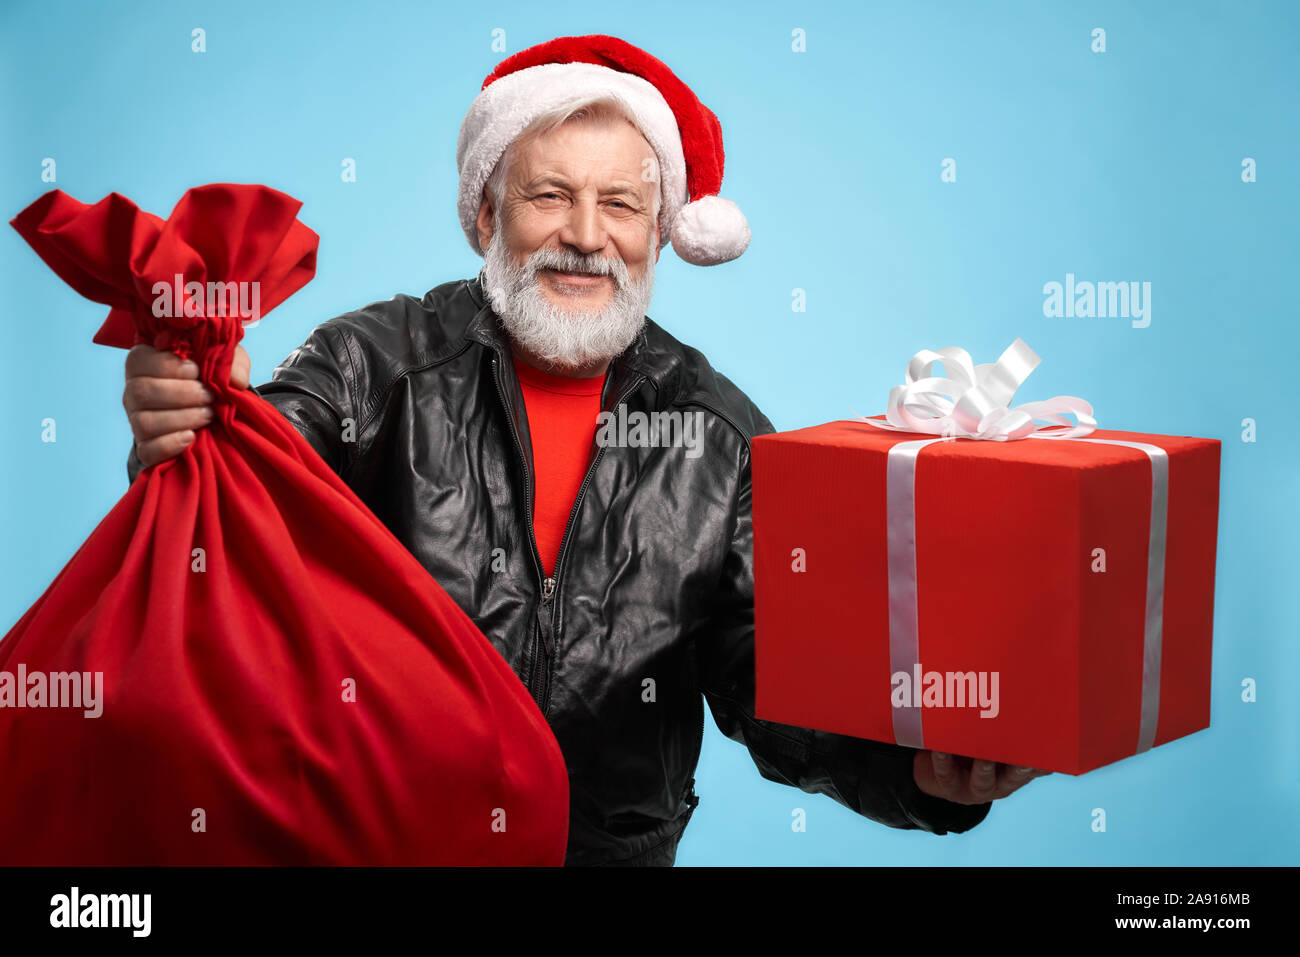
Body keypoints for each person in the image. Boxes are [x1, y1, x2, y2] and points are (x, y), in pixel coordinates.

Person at [120, 35, 1048, 866]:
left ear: (659, 235)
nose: (585, 236)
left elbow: (775, 679)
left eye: (619, 205)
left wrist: (919, 768)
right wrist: (194, 421)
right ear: (486, 213)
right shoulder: (371, 363)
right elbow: (242, 496)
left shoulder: (721, 433)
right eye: (550, 195)